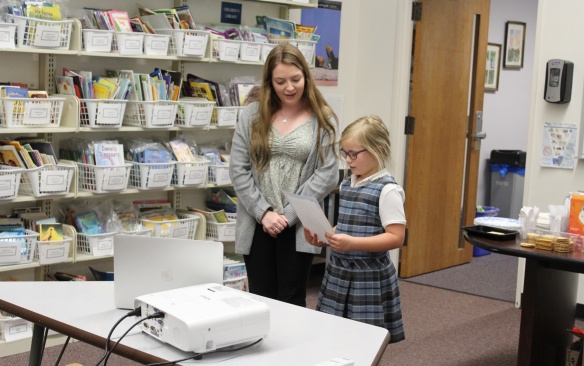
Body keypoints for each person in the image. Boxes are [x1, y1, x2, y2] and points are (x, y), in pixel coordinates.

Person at [229, 43, 339, 307]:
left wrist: (288, 215)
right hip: (258, 223)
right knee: (259, 297)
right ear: (269, 82)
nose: (289, 87)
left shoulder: (322, 118)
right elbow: (238, 168)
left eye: (295, 79)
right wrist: (264, 213)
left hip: (300, 224)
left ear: (306, 77)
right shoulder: (251, 116)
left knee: (292, 300)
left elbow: (328, 174)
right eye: (280, 81)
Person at [304, 115, 406, 343]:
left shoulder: (387, 190)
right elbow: (348, 224)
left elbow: (396, 237)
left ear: (377, 149)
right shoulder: (348, 182)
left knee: (364, 338)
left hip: (367, 275)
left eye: (353, 154)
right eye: (344, 153)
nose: (348, 160)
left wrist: (353, 244)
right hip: (339, 271)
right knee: (334, 332)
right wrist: (326, 235)